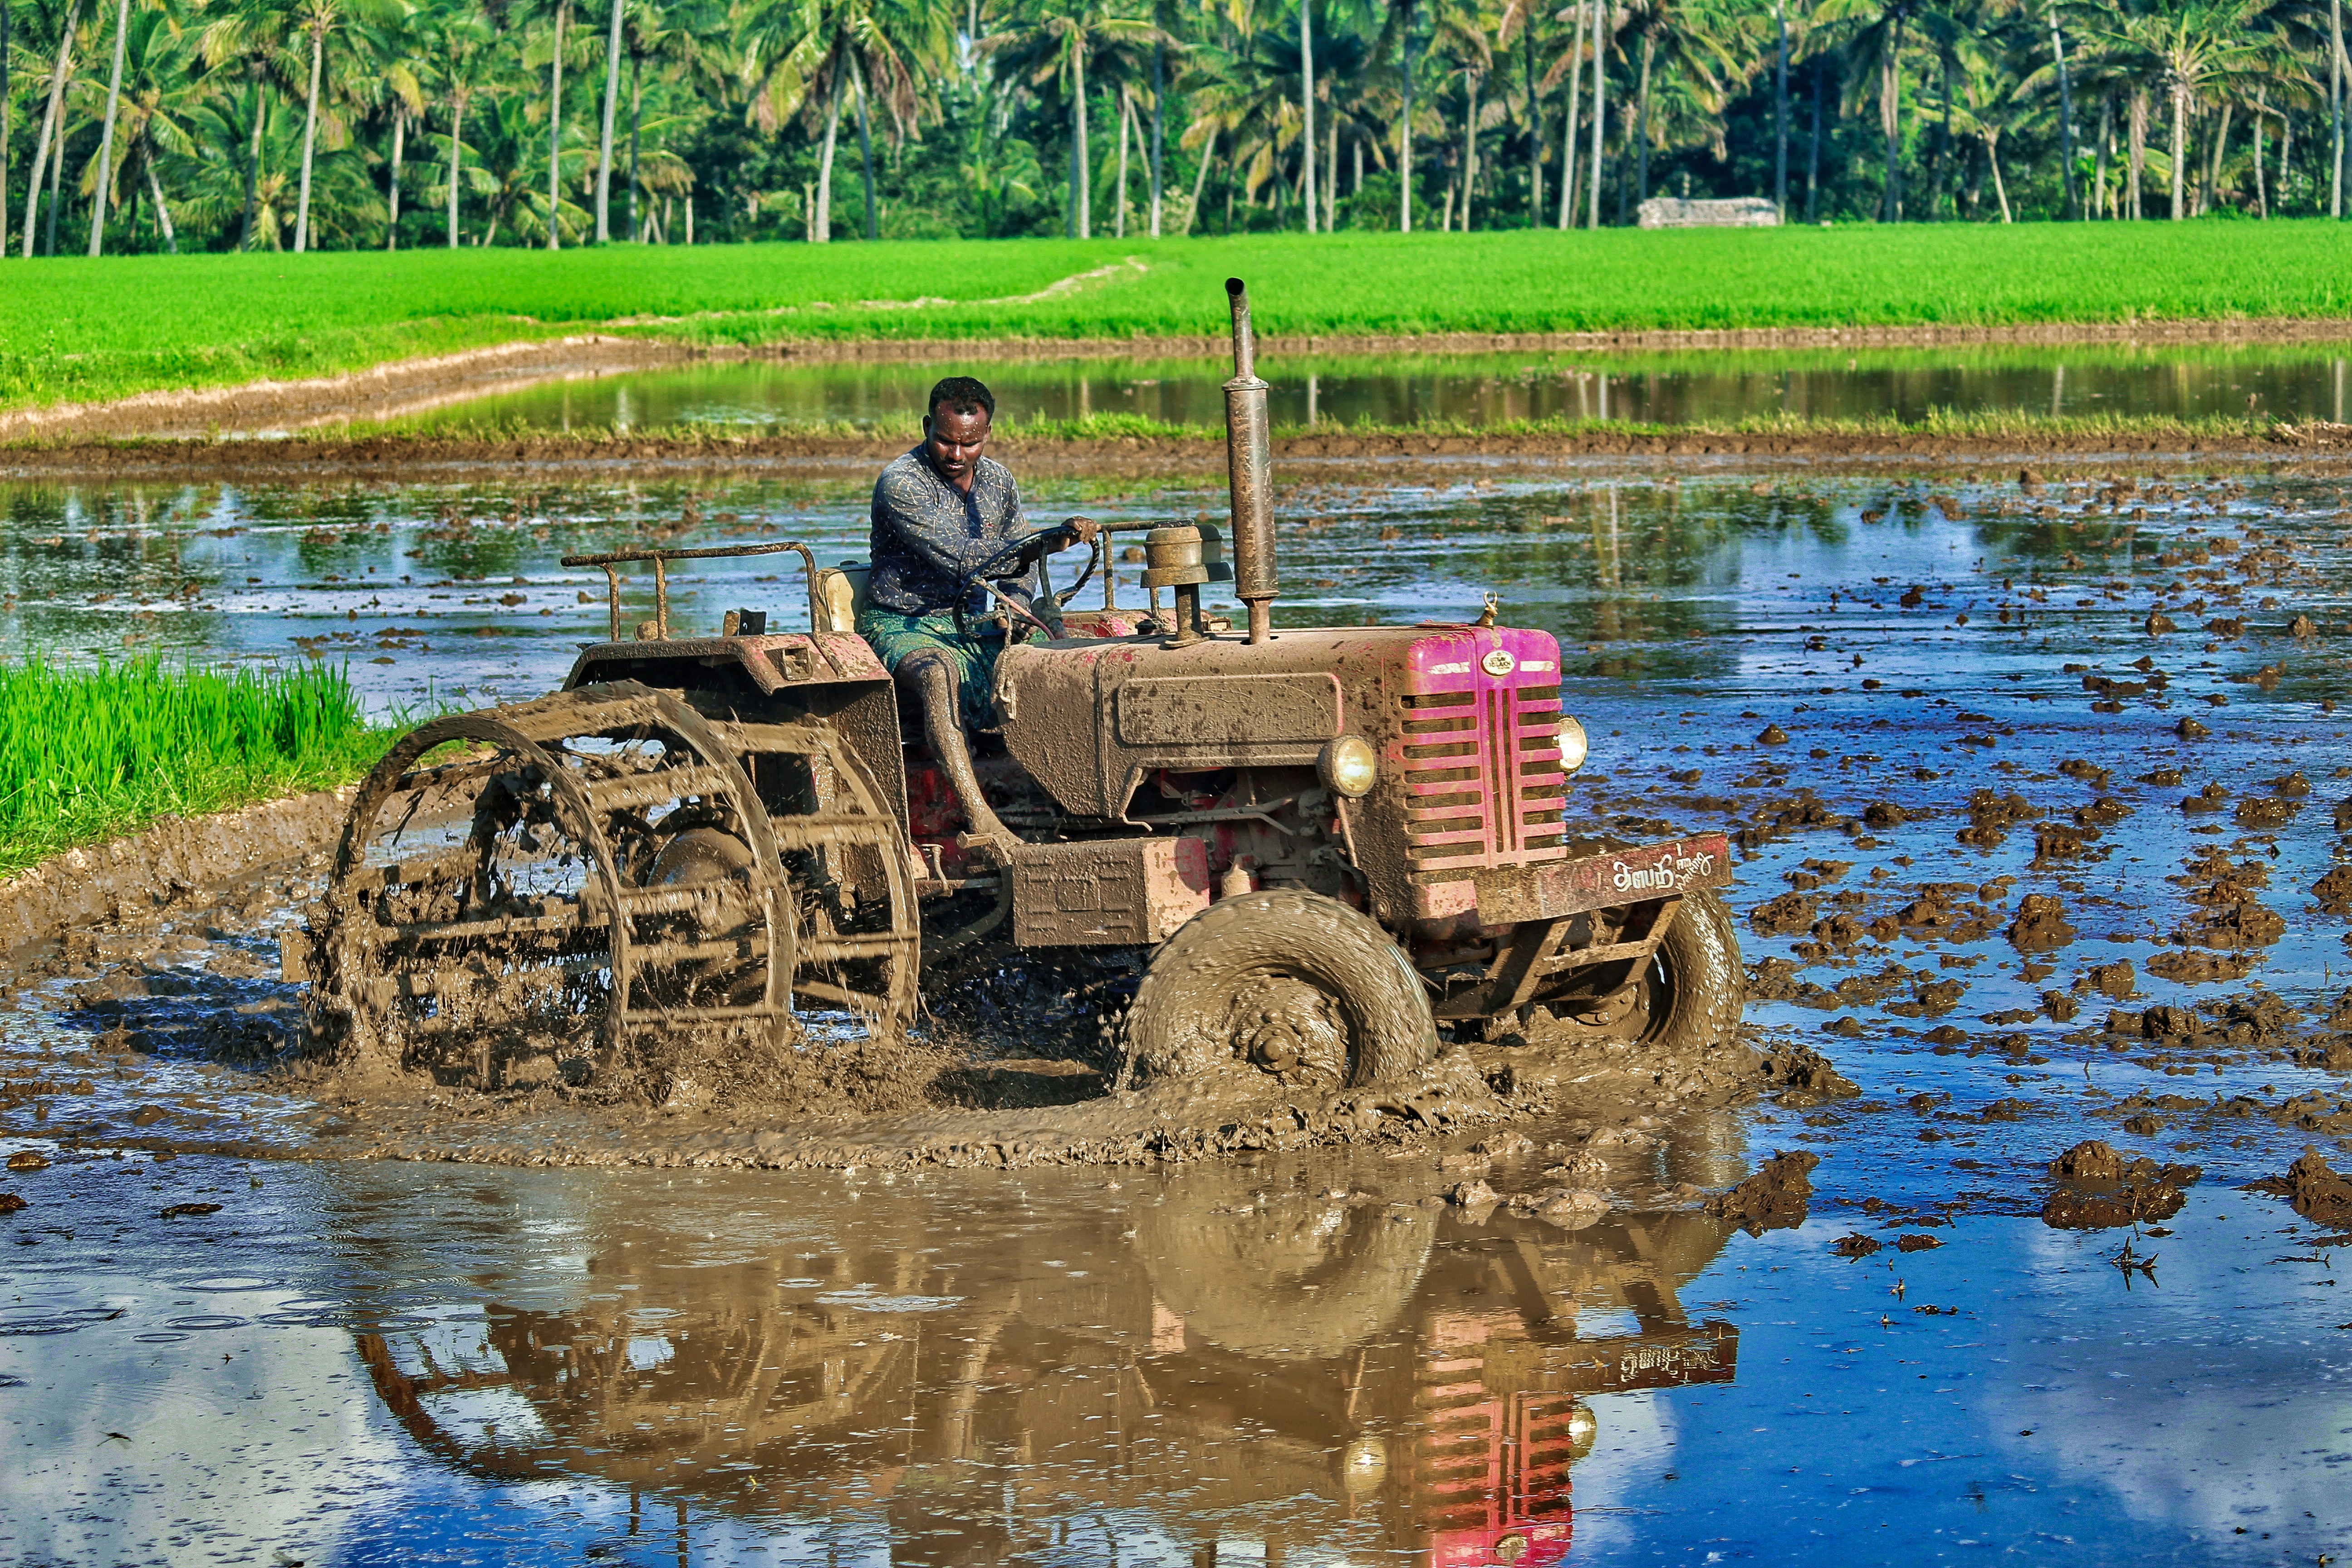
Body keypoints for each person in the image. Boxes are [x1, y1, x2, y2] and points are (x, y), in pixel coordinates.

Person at [858, 376, 1098, 863]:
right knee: (937, 674)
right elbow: (965, 557)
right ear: (928, 427)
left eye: (971, 442)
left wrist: (1018, 607)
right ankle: (981, 818)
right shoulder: (901, 482)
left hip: (970, 624)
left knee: (1050, 655)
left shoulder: (999, 482)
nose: (957, 453)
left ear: (987, 434)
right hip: (905, 624)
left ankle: (1069, 794)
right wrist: (1047, 541)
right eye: (946, 440)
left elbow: (1019, 568)